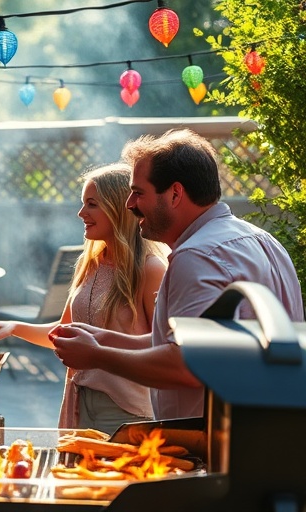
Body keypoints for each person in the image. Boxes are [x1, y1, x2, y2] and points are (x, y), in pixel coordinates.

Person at [51, 129, 304, 421]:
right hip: (271, 430)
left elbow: (186, 364)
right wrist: (106, 339)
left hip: (216, 444)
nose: (130, 204)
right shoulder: (261, 240)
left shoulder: (196, 256)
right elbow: (198, 341)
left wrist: (97, 357)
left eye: (138, 193)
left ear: (174, 193)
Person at [0, 164, 167, 433]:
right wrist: (14, 328)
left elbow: (162, 347)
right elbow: (63, 332)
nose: (81, 213)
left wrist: (99, 352)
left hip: (127, 411)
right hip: (79, 400)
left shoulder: (150, 269)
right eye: (82, 203)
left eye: (92, 204)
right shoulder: (88, 264)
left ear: (118, 207)